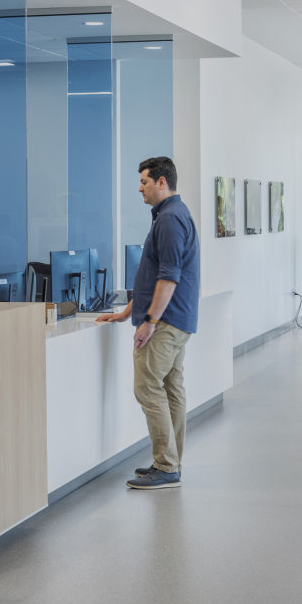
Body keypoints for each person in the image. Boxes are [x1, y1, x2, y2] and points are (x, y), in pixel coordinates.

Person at [96, 156, 199, 490]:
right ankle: (169, 462)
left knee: (147, 387)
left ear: (161, 182)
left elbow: (168, 278)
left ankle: (166, 465)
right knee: (171, 390)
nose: (139, 188)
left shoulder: (170, 220)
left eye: (144, 181)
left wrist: (150, 320)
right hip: (176, 318)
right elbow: (153, 274)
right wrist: (128, 311)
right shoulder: (171, 216)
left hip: (166, 321)